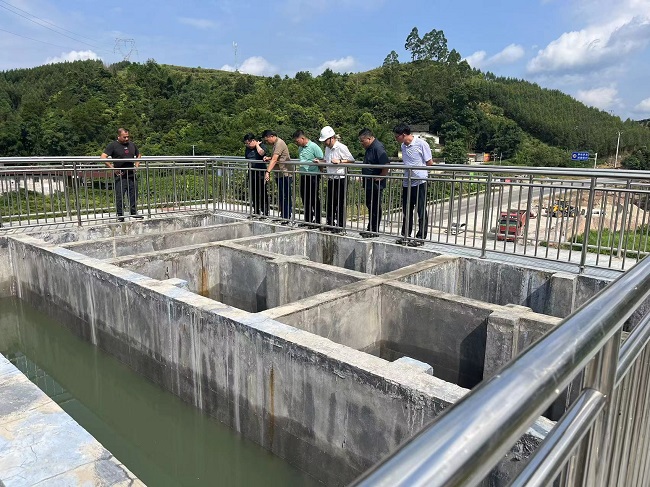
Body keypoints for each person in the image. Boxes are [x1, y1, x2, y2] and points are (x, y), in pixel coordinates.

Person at [393, 123, 433, 246]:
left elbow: (429, 163)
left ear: (404, 135)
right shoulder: (403, 146)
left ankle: (420, 237)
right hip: (407, 182)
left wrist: (420, 172)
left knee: (421, 210)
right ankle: (406, 235)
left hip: (420, 182)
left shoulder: (422, 144)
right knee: (407, 210)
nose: (396, 139)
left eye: (397, 136)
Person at [101, 128, 143, 222]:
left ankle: (134, 212)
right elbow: (103, 157)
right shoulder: (113, 145)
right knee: (120, 195)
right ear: (119, 136)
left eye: (128, 136)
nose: (127, 139)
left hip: (131, 173)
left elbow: (139, 154)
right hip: (120, 174)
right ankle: (120, 215)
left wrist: (136, 164)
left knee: (133, 194)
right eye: (124, 137)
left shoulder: (132, 145)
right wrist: (112, 168)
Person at [319, 126, 354, 233]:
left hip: (341, 178)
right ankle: (330, 223)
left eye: (326, 140)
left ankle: (340, 225)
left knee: (340, 202)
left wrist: (340, 161)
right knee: (330, 202)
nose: (325, 143)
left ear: (332, 138)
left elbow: (351, 160)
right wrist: (320, 162)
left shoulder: (341, 147)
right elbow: (327, 160)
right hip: (331, 177)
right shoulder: (327, 148)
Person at [358, 128, 389, 237]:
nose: (362, 144)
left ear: (369, 138)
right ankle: (370, 228)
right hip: (369, 182)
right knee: (370, 205)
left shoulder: (377, 147)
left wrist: (382, 176)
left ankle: (374, 230)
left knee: (375, 206)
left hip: (375, 184)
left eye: (363, 141)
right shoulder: (370, 147)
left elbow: (386, 163)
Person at [293, 130, 324, 227]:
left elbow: (322, 159)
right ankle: (308, 219)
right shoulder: (300, 148)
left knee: (314, 198)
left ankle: (317, 220)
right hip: (303, 175)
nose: (296, 143)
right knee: (305, 198)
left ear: (302, 138)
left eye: (297, 141)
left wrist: (319, 167)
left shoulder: (314, 146)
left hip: (313, 175)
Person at [262, 130, 292, 222]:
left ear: (271, 136)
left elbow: (275, 159)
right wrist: (269, 158)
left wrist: (267, 171)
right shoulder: (276, 144)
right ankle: (283, 215)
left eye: (267, 140)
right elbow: (277, 157)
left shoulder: (279, 143)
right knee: (282, 195)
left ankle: (286, 217)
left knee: (286, 195)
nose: (267, 142)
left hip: (285, 173)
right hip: (280, 174)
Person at [243, 133, 269, 218]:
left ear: (253, 140)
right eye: (246, 143)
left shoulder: (262, 145)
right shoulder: (247, 149)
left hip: (261, 173)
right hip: (252, 173)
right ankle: (256, 211)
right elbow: (247, 157)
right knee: (254, 192)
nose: (247, 145)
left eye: (248, 143)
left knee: (262, 192)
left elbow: (262, 153)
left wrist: (257, 145)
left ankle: (265, 212)